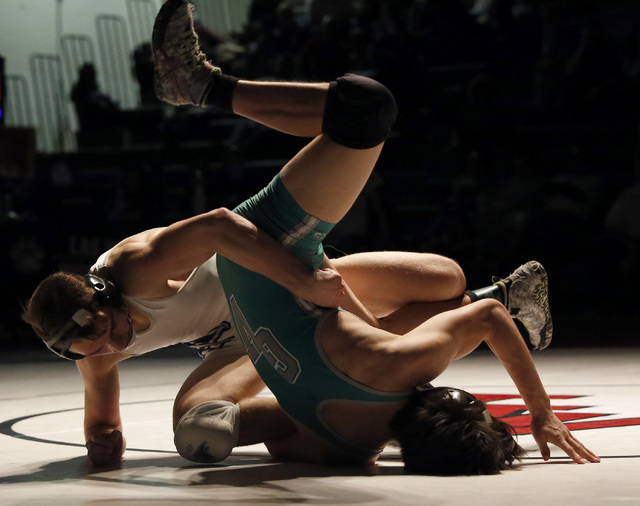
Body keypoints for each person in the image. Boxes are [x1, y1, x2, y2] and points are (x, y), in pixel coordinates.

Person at [21, 0, 568, 474]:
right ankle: (495, 300)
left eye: (114, 333)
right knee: (198, 428)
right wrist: (103, 445)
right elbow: (102, 422)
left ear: (104, 299)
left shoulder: (137, 265)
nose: (118, 349)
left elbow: (221, 226)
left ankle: (207, 86)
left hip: (269, 269)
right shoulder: (91, 348)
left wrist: (304, 276)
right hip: (240, 334)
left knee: (441, 278)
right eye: (100, 351)